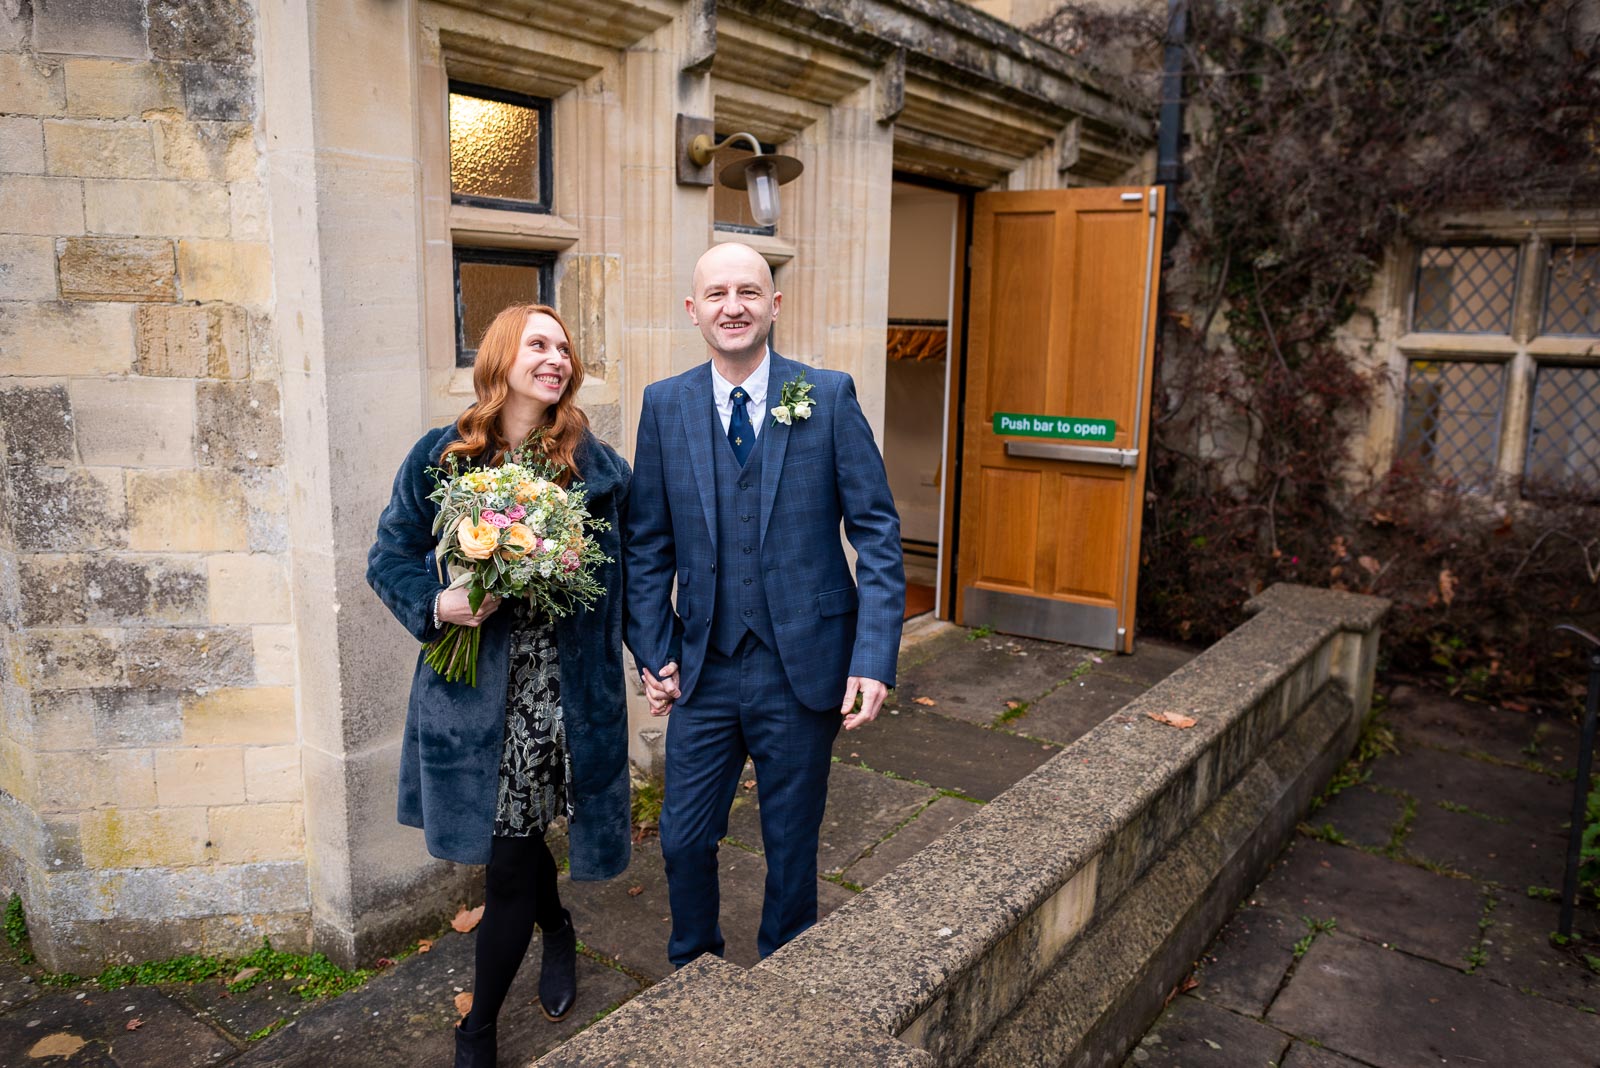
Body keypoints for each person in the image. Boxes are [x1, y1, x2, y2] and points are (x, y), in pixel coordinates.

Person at [623, 242, 905, 968]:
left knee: (791, 841)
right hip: (706, 665)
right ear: (694, 311)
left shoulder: (829, 394)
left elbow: (874, 530)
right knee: (684, 836)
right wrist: (653, 652)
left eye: (749, 291)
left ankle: (787, 970)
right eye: (717, 294)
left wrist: (873, 657)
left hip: (803, 663)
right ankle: (694, 967)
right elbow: (648, 543)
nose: (733, 306)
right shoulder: (665, 404)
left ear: (774, 304)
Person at [367, 304, 631, 1068]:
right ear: (503, 355)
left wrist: (654, 655)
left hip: (565, 694)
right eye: (539, 344)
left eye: (564, 348)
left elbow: (628, 579)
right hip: (475, 696)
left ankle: (483, 1018)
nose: (555, 358)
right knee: (510, 850)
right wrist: (438, 601)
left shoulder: (598, 469)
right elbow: (389, 556)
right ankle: (543, 945)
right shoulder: (442, 456)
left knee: (514, 853)